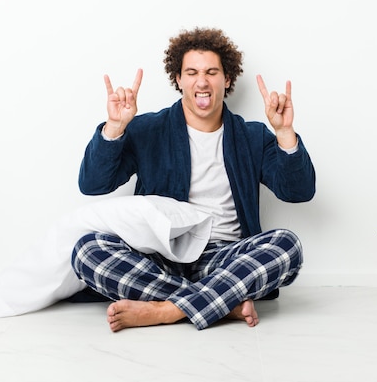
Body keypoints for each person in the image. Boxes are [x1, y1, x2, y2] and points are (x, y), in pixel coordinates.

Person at [71, 27, 316, 331]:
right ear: (179, 79)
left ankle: (166, 310)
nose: (202, 81)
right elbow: (93, 184)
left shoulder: (252, 137)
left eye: (212, 72)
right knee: (87, 249)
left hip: (226, 258)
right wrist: (114, 127)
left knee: (287, 245)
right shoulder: (148, 129)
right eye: (192, 72)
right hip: (160, 255)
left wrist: (284, 133)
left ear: (227, 80)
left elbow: (299, 191)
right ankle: (222, 304)